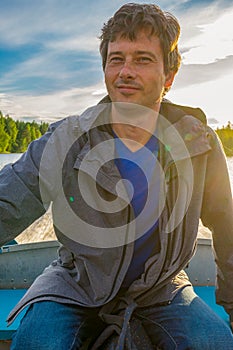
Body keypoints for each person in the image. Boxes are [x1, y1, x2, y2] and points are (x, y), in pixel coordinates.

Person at [0, 3, 233, 349]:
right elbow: (9, 197)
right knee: (39, 342)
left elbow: (227, 228)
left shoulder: (197, 143)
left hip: (162, 288)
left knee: (213, 341)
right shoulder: (68, 138)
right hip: (76, 283)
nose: (126, 71)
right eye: (116, 59)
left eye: (142, 59)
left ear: (168, 77)